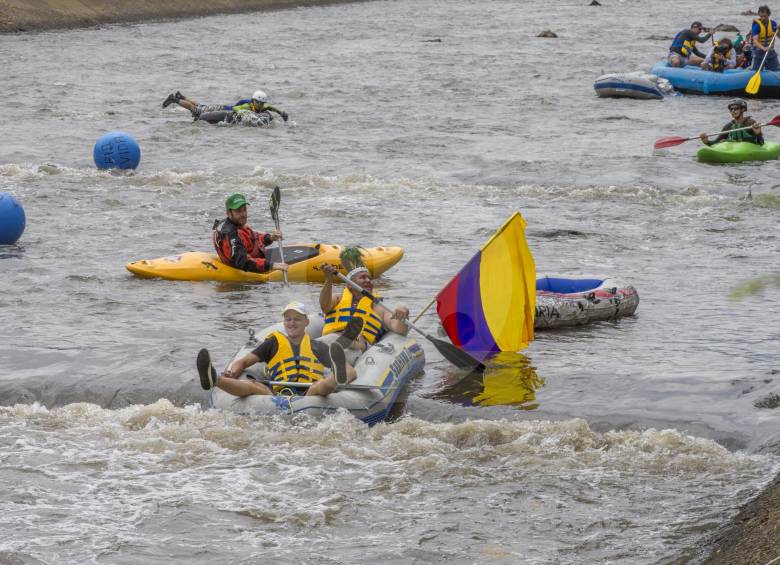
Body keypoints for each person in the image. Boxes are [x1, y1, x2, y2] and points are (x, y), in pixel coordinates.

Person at [197, 302, 359, 397]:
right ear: (284, 322)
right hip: (277, 393)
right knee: (254, 385)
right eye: (288, 319)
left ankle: (336, 377)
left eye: (297, 319)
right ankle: (214, 379)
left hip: (309, 394)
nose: (292, 323)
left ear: (306, 322)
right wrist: (233, 372)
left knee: (320, 385)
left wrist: (344, 373)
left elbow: (351, 371)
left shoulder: (318, 347)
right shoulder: (273, 342)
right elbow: (244, 361)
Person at [319, 263, 409, 356]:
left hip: (359, 347)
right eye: (363, 277)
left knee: (350, 344)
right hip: (333, 337)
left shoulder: (379, 307)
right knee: (329, 341)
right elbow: (325, 307)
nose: (368, 280)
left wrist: (403, 312)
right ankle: (342, 341)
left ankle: (348, 340)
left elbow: (399, 329)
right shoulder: (338, 298)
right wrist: (328, 280)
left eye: (369, 278)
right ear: (350, 284)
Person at [212, 192, 289, 274]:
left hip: (253, 260)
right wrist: (272, 265)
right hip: (245, 271)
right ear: (228, 213)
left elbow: (255, 238)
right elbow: (243, 262)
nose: (243, 214)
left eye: (244, 209)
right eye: (238, 211)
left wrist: (270, 237)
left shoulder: (238, 225)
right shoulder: (231, 234)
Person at [162, 90, 289, 122]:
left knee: (201, 106)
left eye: (261, 103)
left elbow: (271, 108)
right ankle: (174, 100)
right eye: (258, 103)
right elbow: (236, 109)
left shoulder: (263, 107)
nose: (260, 106)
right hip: (222, 109)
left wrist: (281, 113)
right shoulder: (247, 106)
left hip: (225, 108)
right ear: (253, 100)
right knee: (198, 110)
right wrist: (244, 114)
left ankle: (182, 97)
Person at [699, 99, 764, 146]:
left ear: (743, 109)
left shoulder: (750, 123)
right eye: (731, 109)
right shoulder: (728, 126)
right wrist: (706, 141)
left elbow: (761, 142)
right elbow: (715, 143)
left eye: (736, 108)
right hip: (734, 150)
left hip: (749, 148)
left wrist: (758, 133)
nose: (733, 111)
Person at [751, 5, 780, 71]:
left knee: (776, 71)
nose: (763, 18)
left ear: (768, 15)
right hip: (759, 52)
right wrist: (763, 48)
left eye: (765, 16)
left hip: (770, 52)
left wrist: (779, 30)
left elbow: (779, 36)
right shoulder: (757, 26)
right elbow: (755, 41)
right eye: (761, 16)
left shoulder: (773, 24)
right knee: (755, 71)